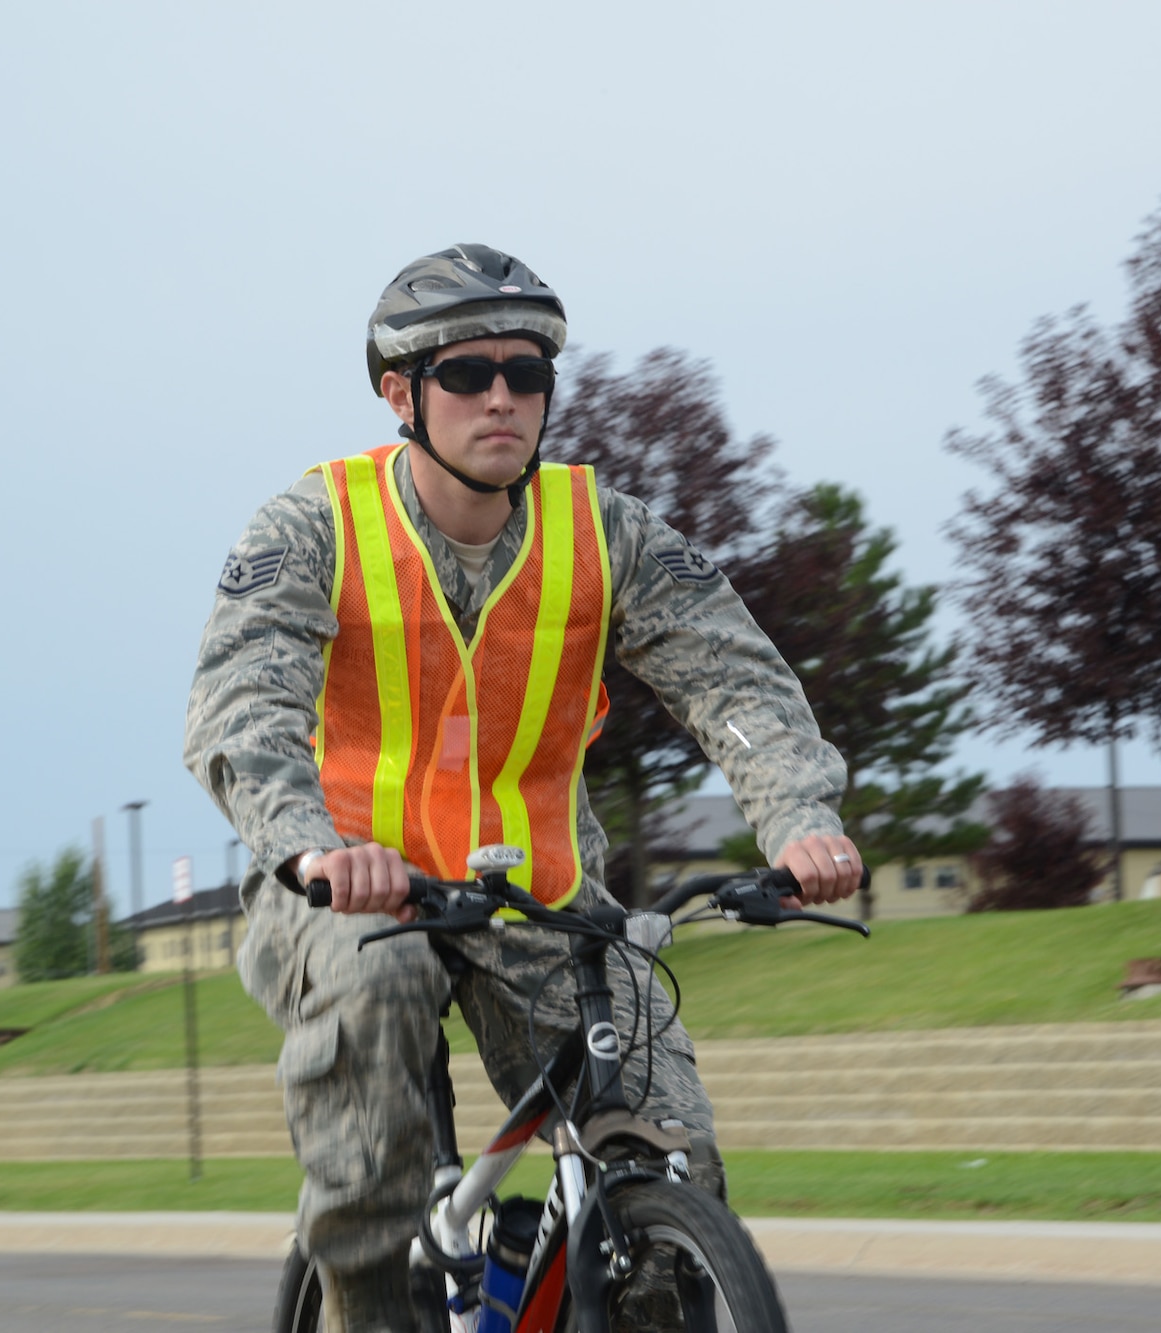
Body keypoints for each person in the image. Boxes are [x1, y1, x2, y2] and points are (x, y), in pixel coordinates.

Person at [183, 243, 859, 1331]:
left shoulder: (607, 531)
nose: (501, 397)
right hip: (354, 896)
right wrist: (309, 844)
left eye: (526, 373)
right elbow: (240, 709)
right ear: (400, 392)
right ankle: (368, 1306)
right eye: (465, 374)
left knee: (671, 1161)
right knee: (380, 1005)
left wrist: (797, 819)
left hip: (541, 901)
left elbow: (733, 679)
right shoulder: (313, 525)